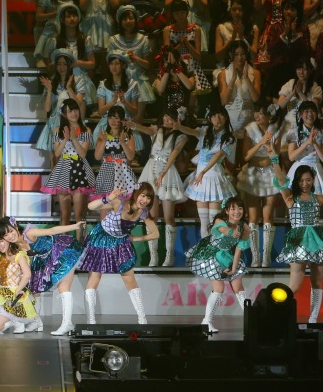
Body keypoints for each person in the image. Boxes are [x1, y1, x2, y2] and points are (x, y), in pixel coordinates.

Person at [270, 147, 323, 323]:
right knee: (294, 285)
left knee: (317, 282)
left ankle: (313, 318)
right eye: (302, 180)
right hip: (298, 242)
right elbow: (281, 180)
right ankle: (279, 316)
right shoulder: (290, 197)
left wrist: (320, 225)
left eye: (308, 180)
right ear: (297, 181)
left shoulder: (318, 198)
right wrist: (274, 159)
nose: (305, 183)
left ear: (313, 180)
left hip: (318, 241)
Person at [76, 184, 159, 325]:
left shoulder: (143, 212)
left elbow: (155, 234)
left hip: (120, 243)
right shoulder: (119, 202)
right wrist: (108, 198)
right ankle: (91, 323)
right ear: (136, 194)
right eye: (143, 195)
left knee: (130, 280)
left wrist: (135, 238)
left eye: (148, 198)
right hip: (101, 240)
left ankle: (142, 320)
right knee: (94, 279)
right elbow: (90, 206)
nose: (145, 200)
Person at [186, 197, 251, 333]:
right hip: (213, 255)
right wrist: (231, 232)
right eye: (233, 209)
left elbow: (239, 249)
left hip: (230, 256)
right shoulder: (220, 221)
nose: (237, 212)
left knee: (238, 287)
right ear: (227, 211)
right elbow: (222, 229)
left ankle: (251, 322)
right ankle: (206, 322)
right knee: (219, 288)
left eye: (240, 208)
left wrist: (233, 268)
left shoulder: (245, 227)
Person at [134, 109, 189, 267]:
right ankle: (154, 256)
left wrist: (163, 173)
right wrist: (132, 125)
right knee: (151, 217)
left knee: (169, 217)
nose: (167, 120)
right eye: (165, 116)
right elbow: (144, 129)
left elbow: (174, 154)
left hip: (167, 173)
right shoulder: (155, 130)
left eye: (171, 118)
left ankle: (169, 255)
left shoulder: (181, 136)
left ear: (177, 120)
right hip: (150, 172)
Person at [178, 108, 239, 237]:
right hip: (201, 177)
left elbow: (217, 156)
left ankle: (214, 246)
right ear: (210, 119)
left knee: (214, 219)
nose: (217, 118)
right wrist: (178, 126)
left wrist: (203, 172)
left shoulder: (229, 138)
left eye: (220, 115)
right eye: (214, 115)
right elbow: (191, 131)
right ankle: (205, 247)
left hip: (213, 176)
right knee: (203, 219)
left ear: (226, 118)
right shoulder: (205, 132)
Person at [0, 221, 42, 334]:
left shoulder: (19, 255)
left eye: (1, 241)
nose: (0, 245)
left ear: (8, 240)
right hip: (2, 292)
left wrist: (18, 290)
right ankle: (10, 320)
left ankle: (14, 320)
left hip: (16, 295)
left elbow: (27, 274)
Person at [239, 103, 283, 267]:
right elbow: (246, 156)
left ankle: (266, 256)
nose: (257, 115)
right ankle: (255, 256)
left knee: (268, 216)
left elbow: (276, 155)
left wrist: (270, 147)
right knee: (252, 217)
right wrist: (261, 142)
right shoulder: (250, 129)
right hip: (253, 174)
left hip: (270, 173)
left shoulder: (275, 130)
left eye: (261, 112)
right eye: (256, 112)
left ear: (269, 116)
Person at [41, 98, 94, 226]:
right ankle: (63, 239)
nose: (73, 113)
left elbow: (83, 154)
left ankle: (80, 239)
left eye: (75, 110)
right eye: (70, 111)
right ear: (64, 114)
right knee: (64, 214)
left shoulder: (86, 130)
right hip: (63, 168)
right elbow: (57, 153)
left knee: (79, 215)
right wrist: (65, 139)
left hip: (80, 169)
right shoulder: (57, 130)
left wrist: (74, 139)